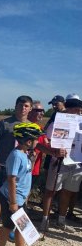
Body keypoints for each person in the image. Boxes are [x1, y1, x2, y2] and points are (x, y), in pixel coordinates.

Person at [0, 123, 44, 246]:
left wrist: (32, 160)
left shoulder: (25, 154)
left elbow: (25, 173)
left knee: (22, 226)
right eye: (36, 139)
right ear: (28, 142)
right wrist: (13, 202)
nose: (38, 141)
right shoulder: (16, 156)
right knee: (7, 226)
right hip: (11, 198)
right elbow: (11, 179)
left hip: (19, 197)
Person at [0, 96, 33, 244]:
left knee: (20, 200)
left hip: (23, 171)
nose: (23, 108)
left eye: (26, 106)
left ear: (30, 108)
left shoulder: (32, 126)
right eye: (20, 105)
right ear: (15, 106)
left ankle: (12, 229)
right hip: (5, 168)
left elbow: (35, 145)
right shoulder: (5, 123)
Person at [40, 94, 82, 233]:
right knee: (51, 191)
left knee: (68, 192)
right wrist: (55, 150)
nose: (80, 112)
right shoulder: (58, 121)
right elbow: (45, 138)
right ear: (69, 109)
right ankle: (45, 220)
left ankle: (61, 221)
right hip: (59, 161)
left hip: (77, 163)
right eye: (77, 110)